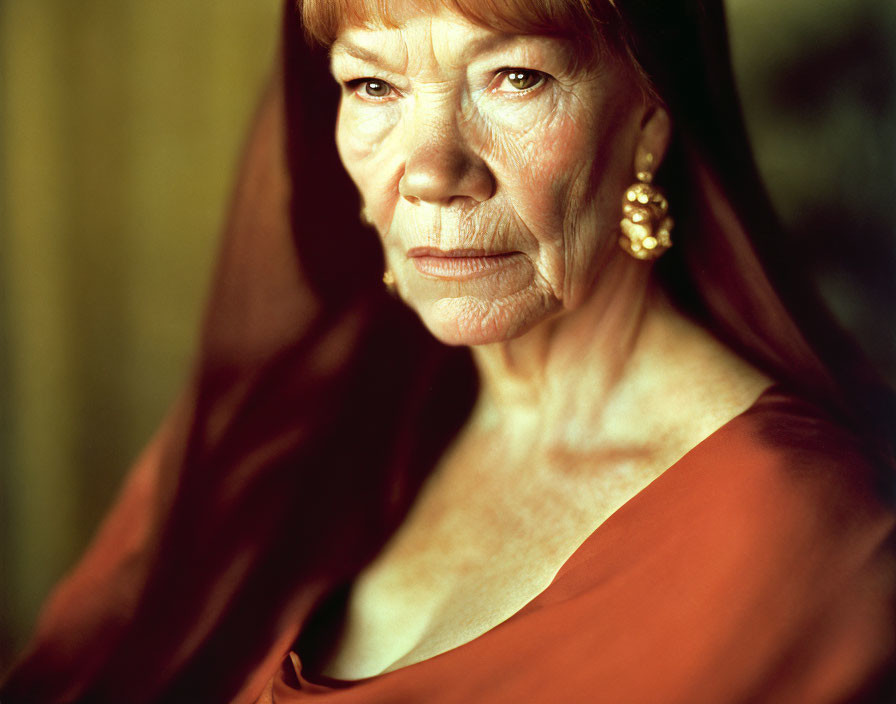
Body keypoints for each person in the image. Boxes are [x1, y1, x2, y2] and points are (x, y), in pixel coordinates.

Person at [3, 0, 895, 702]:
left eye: (513, 77)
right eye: (373, 87)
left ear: (649, 123)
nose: (430, 170)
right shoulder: (294, 436)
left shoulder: (792, 533)